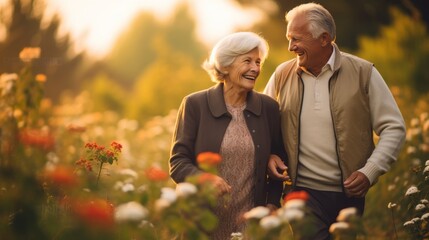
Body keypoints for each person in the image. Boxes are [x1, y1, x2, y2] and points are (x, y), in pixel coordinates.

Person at [263, 3, 406, 240]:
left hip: (350, 195)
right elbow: (263, 126)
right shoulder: (281, 74)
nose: (290, 47)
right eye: (289, 39)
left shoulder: (363, 72)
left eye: (296, 39)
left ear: (324, 38)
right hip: (301, 194)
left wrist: (370, 171)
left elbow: (394, 127)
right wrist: (269, 155)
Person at [169, 31, 286, 239]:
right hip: (202, 221)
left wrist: (271, 204)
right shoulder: (195, 104)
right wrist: (203, 178)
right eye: (247, 61)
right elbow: (178, 162)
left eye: (258, 62)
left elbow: (279, 163)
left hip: (250, 225)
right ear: (225, 65)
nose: (255, 68)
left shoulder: (268, 108)